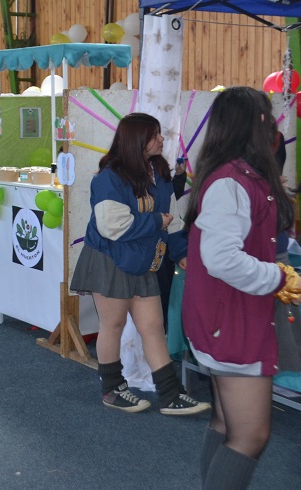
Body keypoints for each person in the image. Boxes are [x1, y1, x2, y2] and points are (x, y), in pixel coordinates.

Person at [181, 86, 301, 490]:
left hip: (233, 314)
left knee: (228, 425)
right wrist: (279, 277)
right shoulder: (231, 181)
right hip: (232, 320)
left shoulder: (238, 175)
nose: (274, 125)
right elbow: (221, 259)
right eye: (268, 116)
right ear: (255, 123)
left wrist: (279, 275)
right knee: (250, 435)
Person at [70, 112, 210, 416]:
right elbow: (113, 227)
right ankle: (112, 389)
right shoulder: (109, 178)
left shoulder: (159, 173)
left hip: (144, 260)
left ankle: (170, 394)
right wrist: (155, 221)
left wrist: (180, 252)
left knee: (152, 327)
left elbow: (173, 220)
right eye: (155, 134)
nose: (161, 139)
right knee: (113, 325)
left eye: (160, 134)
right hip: (109, 260)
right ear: (137, 140)